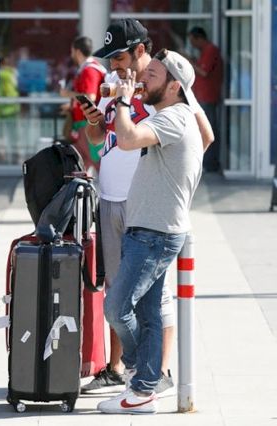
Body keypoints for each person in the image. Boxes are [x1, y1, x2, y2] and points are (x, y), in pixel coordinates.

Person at [80, 19, 214, 399]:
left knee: (153, 297)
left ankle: (159, 372)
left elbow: (203, 137)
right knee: (117, 289)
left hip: (149, 210)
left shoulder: (166, 85)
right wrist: (93, 124)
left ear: (141, 51)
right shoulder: (114, 85)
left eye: (119, 57)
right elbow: (99, 140)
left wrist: (174, 187)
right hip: (111, 196)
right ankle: (119, 368)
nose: (113, 65)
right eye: (109, 58)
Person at [58, 36, 107, 173]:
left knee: (97, 164)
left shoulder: (89, 70)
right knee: (79, 166)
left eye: (72, 51)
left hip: (88, 125)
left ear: (78, 51)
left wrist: (67, 94)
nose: (71, 55)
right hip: (85, 124)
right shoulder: (91, 68)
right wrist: (72, 107)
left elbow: (90, 97)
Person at [188, 26, 224, 172]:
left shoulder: (211, 50)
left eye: (193, 41)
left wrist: (190, 62)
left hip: (207, 97)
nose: (192, 45)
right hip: (203, 96)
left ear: (199, 38)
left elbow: (203, 71)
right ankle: (208, 163)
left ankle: (210, 164)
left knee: (207, 130)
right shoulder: (205, 51)